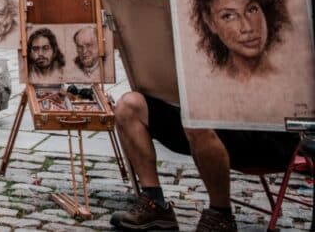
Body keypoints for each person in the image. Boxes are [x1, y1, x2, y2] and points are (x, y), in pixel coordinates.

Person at [112, 90, 299, 231]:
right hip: (204, 114)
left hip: (263, 131)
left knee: (196, 117)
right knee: (128, 107)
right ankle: (155, 202)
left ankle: (220, 214)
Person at [188, 0, 290, 81]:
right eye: (228, 16)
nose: (247, 27)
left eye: (252, 9)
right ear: (210, 22)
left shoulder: (292, 78)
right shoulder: (210, 85)